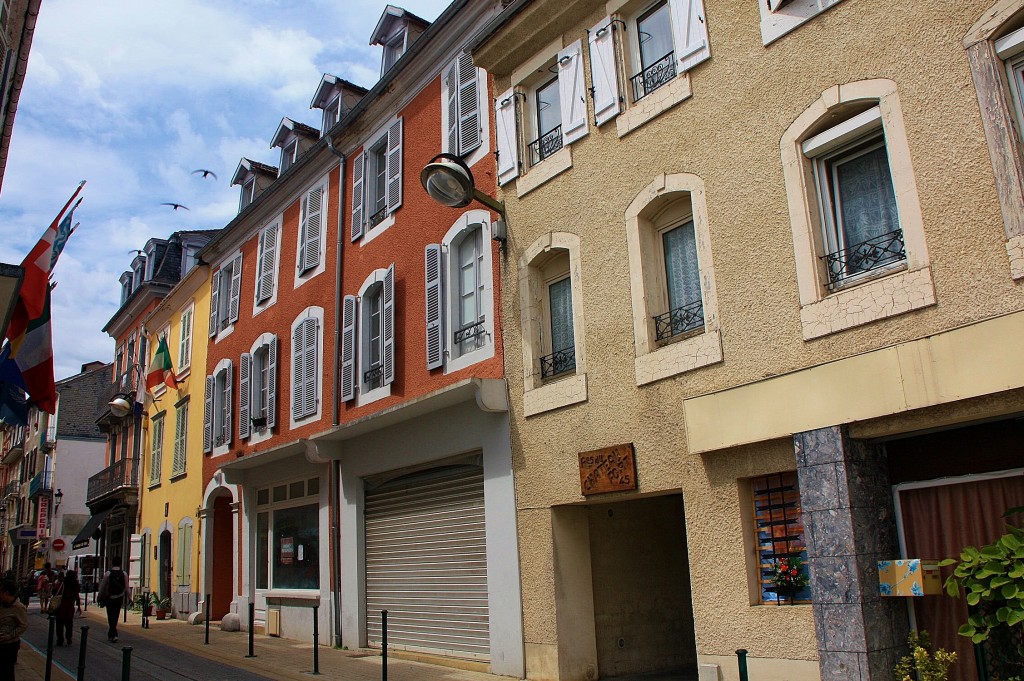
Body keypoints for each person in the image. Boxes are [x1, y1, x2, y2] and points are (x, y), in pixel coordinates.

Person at [0, 578, 28, 681]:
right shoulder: (2, 604)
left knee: (7, 673)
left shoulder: (18, 608)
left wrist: (9, 636)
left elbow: (23, 625)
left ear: (6, 593)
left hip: (9, 645)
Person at [96, 558, 126, 643]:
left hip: (110, 598)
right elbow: (127, 587)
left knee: (110, 616)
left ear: (112, 563)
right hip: (119, 598)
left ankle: (113, 634)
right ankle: (112, 634)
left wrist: (99, 596)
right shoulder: (124, 573)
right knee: (116, 616)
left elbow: (102, 586)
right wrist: (130, 598)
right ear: (120, 564)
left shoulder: (108, 573)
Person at [52, 570, 81, 646]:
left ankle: (60, 639)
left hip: (61, 605)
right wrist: (78, 606)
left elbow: (55, 592)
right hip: (70, 605)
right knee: (69, 623)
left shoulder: (63, 582)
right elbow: (77, 595)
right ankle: (68, 636)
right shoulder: (75, 584)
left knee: (59, 623)